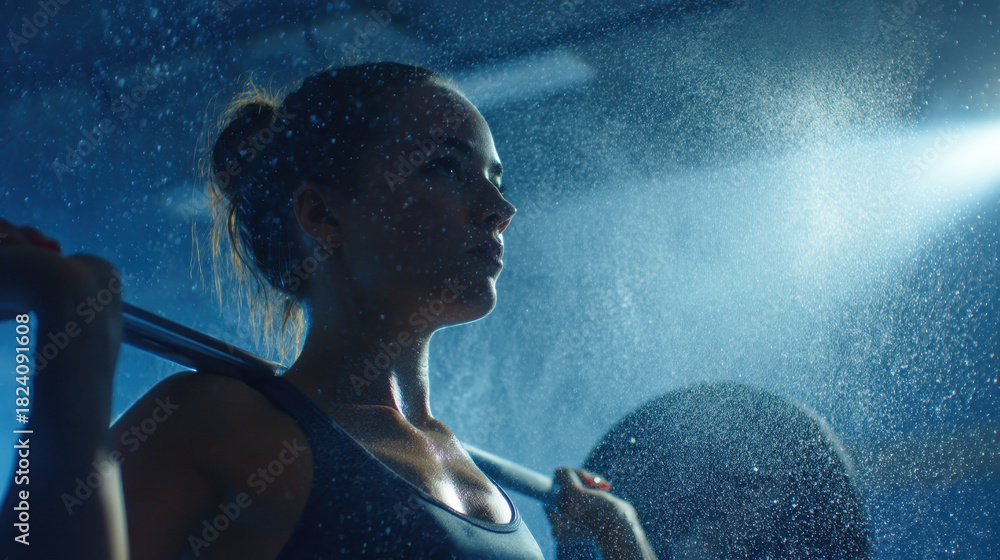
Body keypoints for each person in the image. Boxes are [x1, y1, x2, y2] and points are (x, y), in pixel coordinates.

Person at [0, 62, 656, 559]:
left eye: (495, 178)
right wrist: (67, 322)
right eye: (445, 169)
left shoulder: (478, 477)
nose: (499, 208)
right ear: (322, 214)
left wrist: (623, 549)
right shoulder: (221, 424)